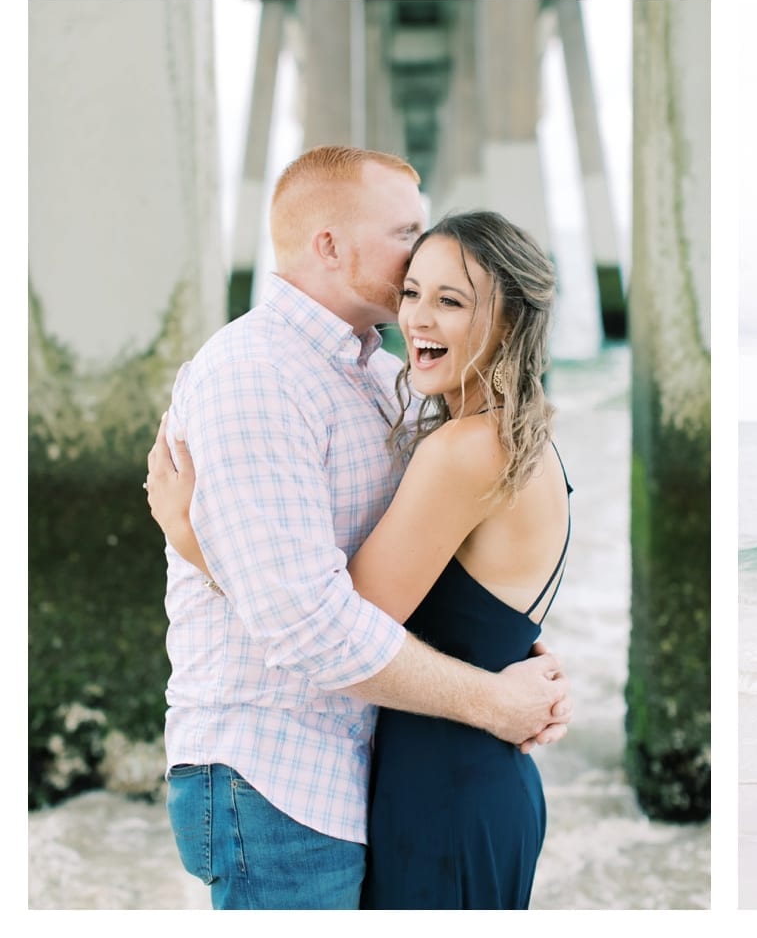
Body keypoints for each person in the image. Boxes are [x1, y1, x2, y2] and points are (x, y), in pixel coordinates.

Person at [144, 147, 570, 910]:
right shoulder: (258, 372)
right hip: (275, 776)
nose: (422, 244)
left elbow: (367, 601)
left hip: (396, 775)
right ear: (330, 245)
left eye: (452, 296)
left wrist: (201, 546)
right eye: (406, 232)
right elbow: (307, 618)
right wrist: (497, 687)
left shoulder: (391, 383)